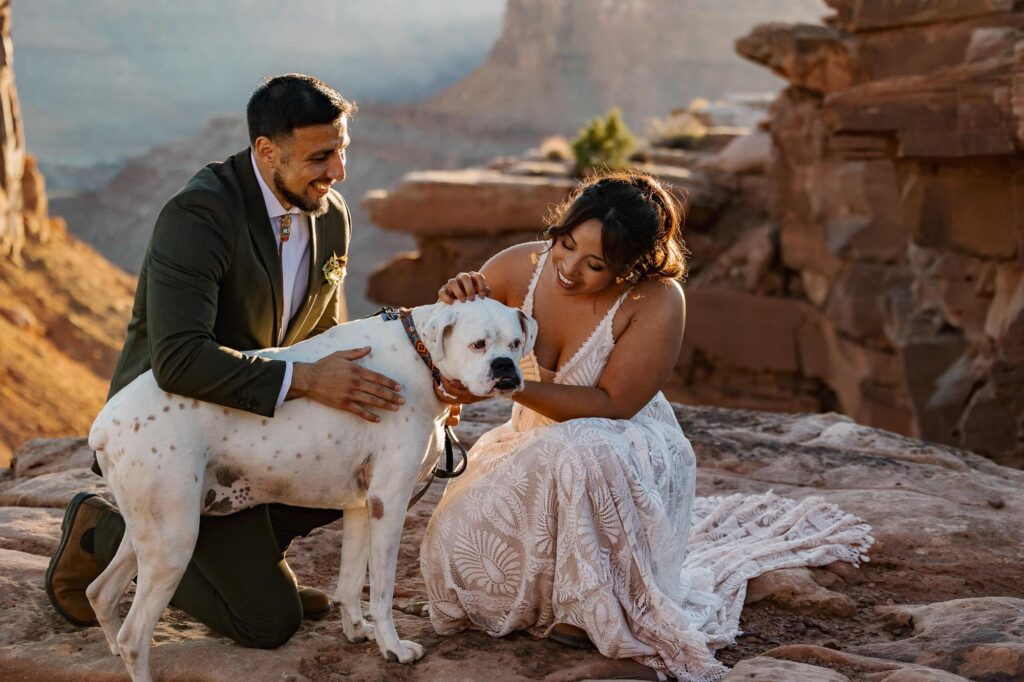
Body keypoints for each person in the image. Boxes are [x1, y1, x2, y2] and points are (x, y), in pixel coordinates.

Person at [420, 171, 873, 680]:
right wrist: (449, 304)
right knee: (458, 560)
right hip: (534, 442)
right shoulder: (513, 267)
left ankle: (590, 604)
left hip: (624, 447)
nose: (569, 268)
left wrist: (511, 385)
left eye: (596, 264)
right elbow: (450, 354)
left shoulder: (657, 301)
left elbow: (613, 404)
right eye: (566, 245)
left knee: (581, 447)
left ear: (633, 265)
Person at [46, 74, 408, 649]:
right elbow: (179, 360)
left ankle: (257, 562)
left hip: (259, 428)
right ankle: (104, 530)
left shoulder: (330, 213)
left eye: (342, 151)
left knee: (399, 451)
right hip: (182, 436)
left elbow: (321, 334)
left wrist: (415, 387)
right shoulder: (199, 214)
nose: (338, 171)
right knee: (267, 622)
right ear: (267, 152)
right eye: (320, 156)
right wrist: (309, 379)